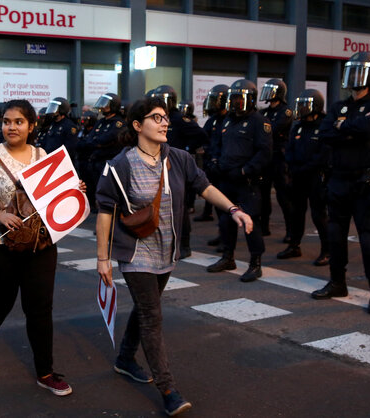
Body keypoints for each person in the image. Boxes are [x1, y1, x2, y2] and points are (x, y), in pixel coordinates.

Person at [95, 97, 252, 417]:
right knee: (152, 316)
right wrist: (102, 258)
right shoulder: (120, 165)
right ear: (138, 126)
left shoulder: (179, 159)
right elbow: (105, 212)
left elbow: (204, 187)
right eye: (156, 118)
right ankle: (168, 390)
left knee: (144, 308)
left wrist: (233, 209)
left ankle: (125, 359)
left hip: (168, 251)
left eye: (166, 117)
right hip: (136, 252)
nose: (165, 122)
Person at [0, 99, 75, 397]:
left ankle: (45, 372)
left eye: (18, 122)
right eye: (6, 121)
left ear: (32, 125)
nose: (11, 127)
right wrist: (0, 214)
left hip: (39, 242)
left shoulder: (44, 156)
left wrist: (73, 192)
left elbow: (56, 198)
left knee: (40, 308)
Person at [311, 52, 370, 315]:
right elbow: (325, 134)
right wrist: (347, 129)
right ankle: (337, 282)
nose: (354, 78)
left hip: (366, 182)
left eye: (360, 72)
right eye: (351, 72)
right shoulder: (338, 106)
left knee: (368, 240)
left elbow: (367, 130)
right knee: (335, 235)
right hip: (339, 180)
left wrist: (342, 128)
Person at [205, 79, 272, 282]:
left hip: (246, 180)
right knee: (226, 221)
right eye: (233, 99)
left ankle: (255, 263)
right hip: (226, 178)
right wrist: (215, 161)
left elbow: (265, 152)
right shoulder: (227, 121)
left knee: (251, 222)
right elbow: (217, 144)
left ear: (250, 100)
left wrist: (245, 171)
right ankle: (228, 257)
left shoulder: (259, 122)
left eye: (240, 99)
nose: (235, 104)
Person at [149, 85, 208, 258]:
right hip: (159, 165)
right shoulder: (157, 118)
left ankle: (185, 245)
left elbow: (201, 135)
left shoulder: (178, 118)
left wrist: (188, 148)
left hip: (176, 166)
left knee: (179, 208)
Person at [277, 89, 331, 266]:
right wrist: (293, 166)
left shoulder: (324, 125)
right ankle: (294, 245)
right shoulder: (298, 125)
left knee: (318, 215)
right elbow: (290, 148)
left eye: (304, 105)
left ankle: (327, 250)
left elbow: (323, 155)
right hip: (298, 176)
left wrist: (305, 168)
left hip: (316, 177)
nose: (301, 109)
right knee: (296, 213)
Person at [258, 78, 294, 240]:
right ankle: (264, 227)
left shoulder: (285, 111)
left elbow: (272, 129)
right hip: (265, 158)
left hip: (279, 158)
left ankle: (290, 231)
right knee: (263, 195)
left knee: (283, 196)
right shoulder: (263, 112)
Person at [83, 93, 126, 212]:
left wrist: (98, 142)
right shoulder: (101, 122)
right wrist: (98, 143)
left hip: (108, 162)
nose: (103, 107)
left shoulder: (118, 123)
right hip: (95, 161)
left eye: (106, 105)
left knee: (107, 192)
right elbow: (89, 140)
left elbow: (107, 139)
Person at [196, 84, 230, 224]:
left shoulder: (230, 120)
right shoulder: (213, 119)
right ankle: (221, 232)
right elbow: (203, 135)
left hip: (224, 164)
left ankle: (225, 238)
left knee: (225, 202)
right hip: (211, 162)